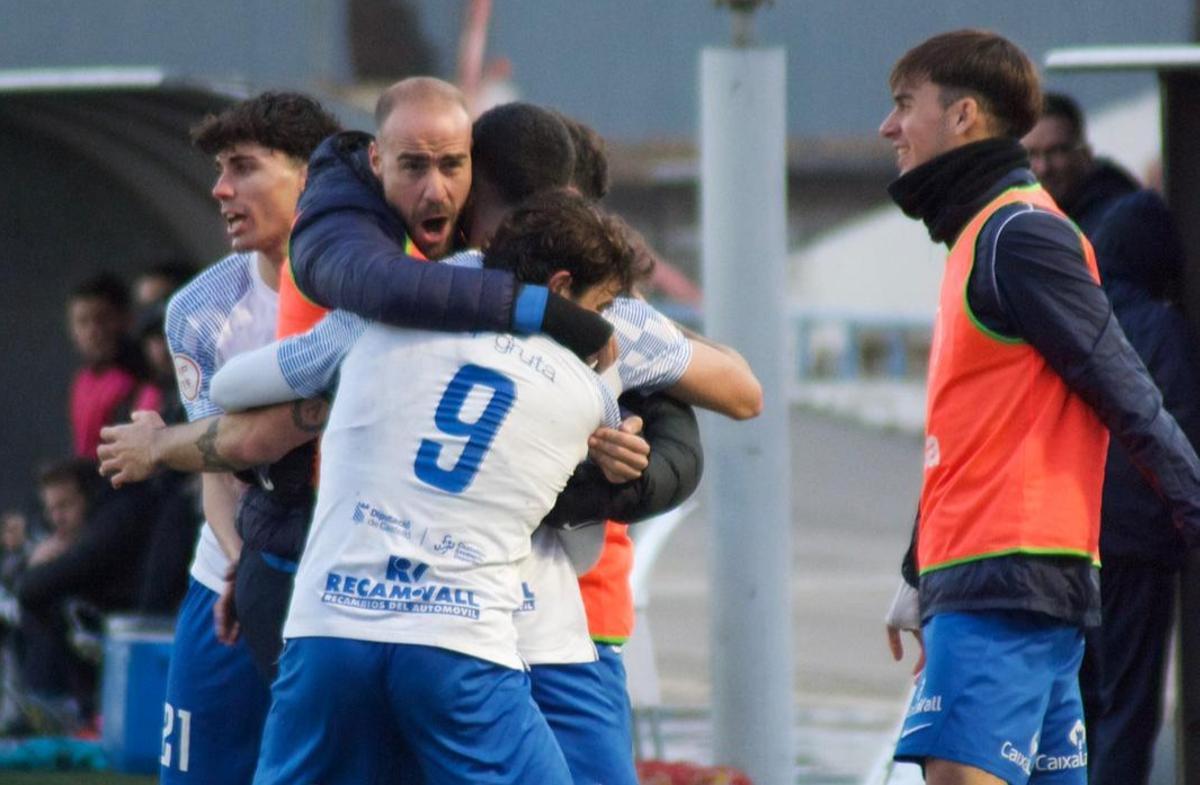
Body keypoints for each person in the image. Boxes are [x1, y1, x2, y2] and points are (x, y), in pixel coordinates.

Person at [878, 29, 1200, 785]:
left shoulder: (1016, 233)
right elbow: (973, 432)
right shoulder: (983, 235)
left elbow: (1124, 384)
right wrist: (917, 569)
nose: (889, 127)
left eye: (903, 105)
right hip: (1007, 584)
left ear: (962, 117)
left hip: (1001, 585)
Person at [248, 191, 639, 784]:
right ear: (561, 289)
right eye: (604, 305)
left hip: (329, 625)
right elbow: (585, 549)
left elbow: (236, 388)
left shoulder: (380, 318)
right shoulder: (591, 389)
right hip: (458, 638)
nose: (607, 326)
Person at [149, 91, 342, 785]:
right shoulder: (201, 309)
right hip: (232, 573)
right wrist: (240, 562)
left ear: (312, 178)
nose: (219, 188)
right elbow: (220, 460)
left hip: (351, 587)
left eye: (244, 168)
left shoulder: (378, 285)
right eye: (219, 170)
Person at [1025, 92, 1196, 785]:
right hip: (1135, 540)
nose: (1044, 164)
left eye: (1054, 150)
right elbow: (1175, 421)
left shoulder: (1069, 297)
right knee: (1128, 702)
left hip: (1071, 529)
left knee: (1076, 700)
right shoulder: (1158, 321)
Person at [16, 459, 153, 729]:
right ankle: (43, 704)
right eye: (51, 509)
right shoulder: (54, 545)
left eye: (65, 505)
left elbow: (40, 585)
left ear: (85, 499)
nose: (58, 518)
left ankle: (62, 705)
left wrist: (40, 570)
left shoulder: (105, 536)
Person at [66, 274, 159, 459]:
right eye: (82, 322)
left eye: (102, 319)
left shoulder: (143, 379)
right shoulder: (82, 380)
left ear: (125, 319)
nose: (93, 331)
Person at [1021, 93, 1139, 236]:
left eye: (1057, 151)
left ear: (1085, 155)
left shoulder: (1120, 221)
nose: (1044, 168)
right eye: (1031, 154)